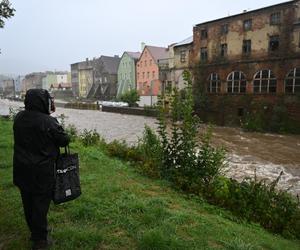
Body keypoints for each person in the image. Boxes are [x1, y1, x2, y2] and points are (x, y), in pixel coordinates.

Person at [13, 89, 69, 250]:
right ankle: (40, 241)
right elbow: (63, 140)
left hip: (21, 169)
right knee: (40, 205)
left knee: (28, 203)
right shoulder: (48, 122)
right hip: (41, 172)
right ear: (43, 102)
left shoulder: (19, 118)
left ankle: (35, 232)